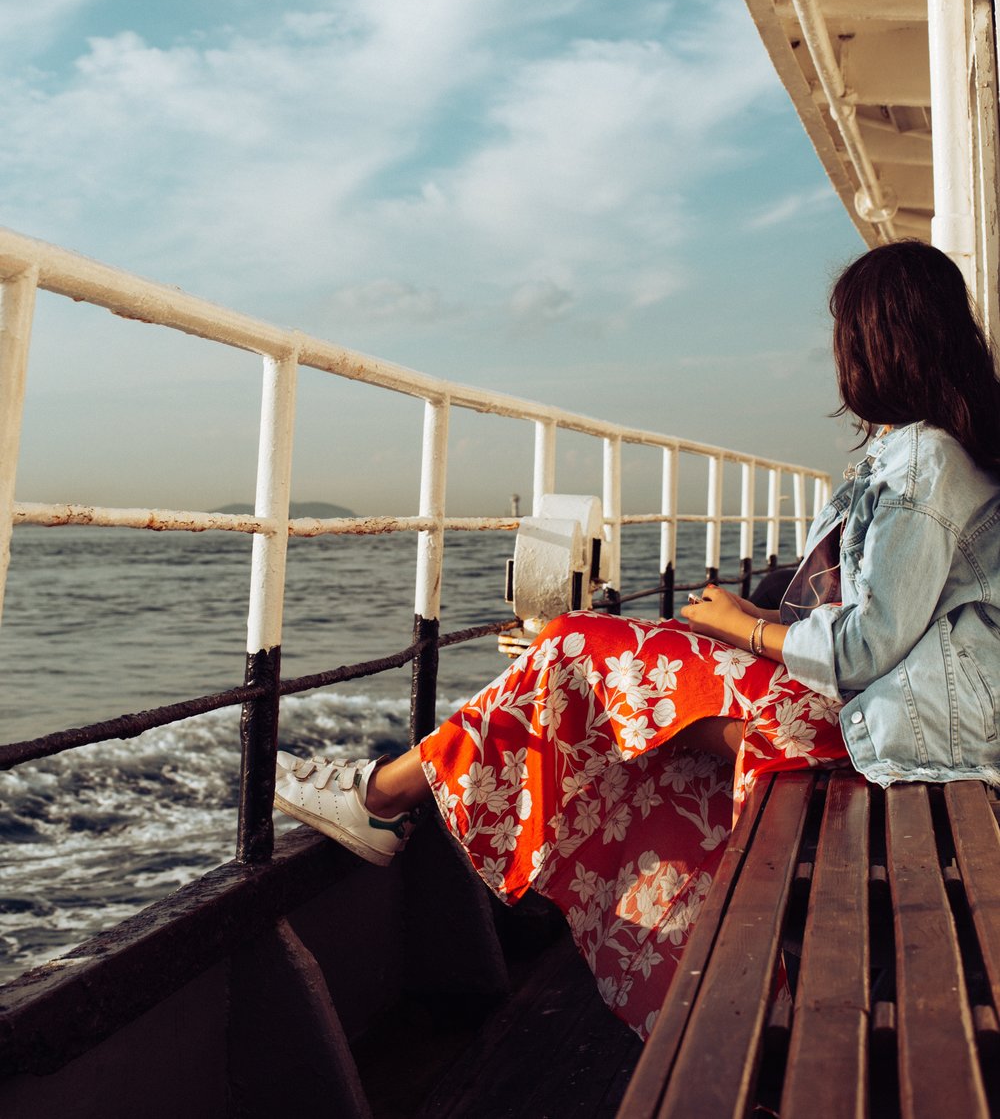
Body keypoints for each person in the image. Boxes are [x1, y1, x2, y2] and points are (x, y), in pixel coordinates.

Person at [274, 241, 1000, 1039]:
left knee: (584, 651)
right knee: (607, 678)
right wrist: (732, 636)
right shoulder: (914, 454)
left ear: (877, 339)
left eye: (844, 335)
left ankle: (382, 798)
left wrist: (741, 626)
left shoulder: (926, 460)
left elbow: (866, 647)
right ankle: (745, 1008)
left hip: (881, 730)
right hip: (872, 715)